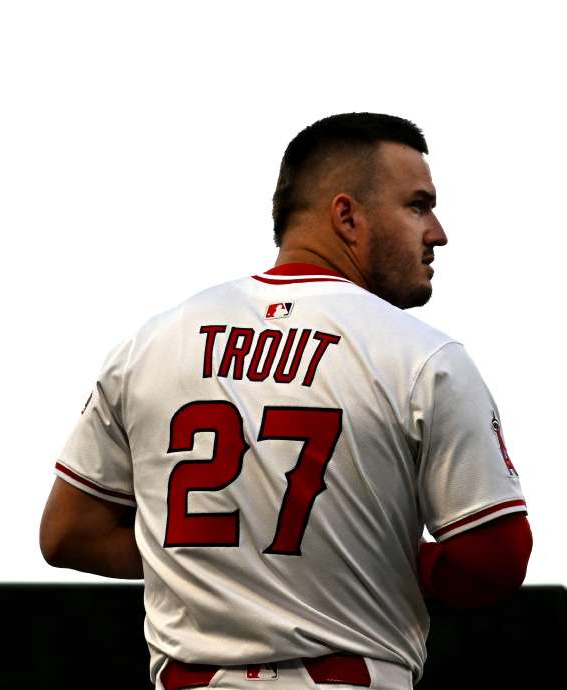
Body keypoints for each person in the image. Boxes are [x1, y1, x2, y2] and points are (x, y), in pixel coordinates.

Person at [39, 113, 532, 690]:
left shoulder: (152, 343)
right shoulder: (422, 356)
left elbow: (69, 531)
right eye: (418, 206)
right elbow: (494, 559)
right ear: (347, 216)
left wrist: (220, 569)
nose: (438, 231)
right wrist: (363, 562)